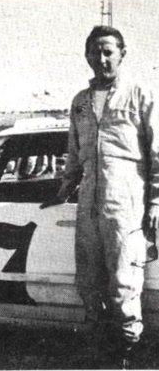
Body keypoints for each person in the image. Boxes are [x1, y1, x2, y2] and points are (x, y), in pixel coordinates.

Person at [41, 25, 159, 367]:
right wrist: (64, 190)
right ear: (87, 56)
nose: (102, 58)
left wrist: (155, 203)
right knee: (89, 281)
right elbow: (74, 155)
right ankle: (99, 350)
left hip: (126, 205)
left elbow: (157, 156)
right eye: (95, 51)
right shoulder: (80, 101)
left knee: (124, 283)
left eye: (109, 51)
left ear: (123, 54)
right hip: (88, 205)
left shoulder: (140, 95)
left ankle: (126, 353)